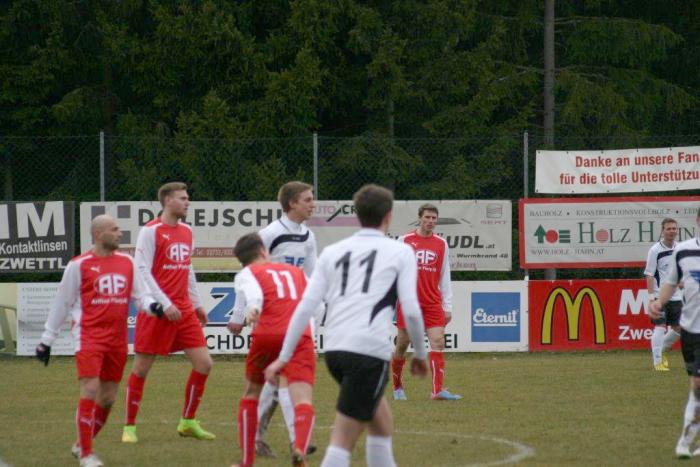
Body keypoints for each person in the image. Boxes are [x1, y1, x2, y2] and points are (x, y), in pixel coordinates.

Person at [265, 184, 428, 467]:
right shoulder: (400, 252)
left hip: (335, 352)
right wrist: (421, 354)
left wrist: (284, 356)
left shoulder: (333, 251)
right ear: (388, 216)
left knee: (381, 424)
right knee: (342, 440)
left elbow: (305, 306)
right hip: (368, 353)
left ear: (357, 215)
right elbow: (412, 312)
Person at [35, 215, 163, 467]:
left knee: (108, 398)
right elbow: (62, 303)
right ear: (98, 234)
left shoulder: (127, 262)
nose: (119, 233)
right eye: (114, 230)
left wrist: (153, 306)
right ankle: (86, 454)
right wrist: (46, 340)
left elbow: (141, 296)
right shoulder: (78, 265)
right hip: (89, 336)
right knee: (90, 389)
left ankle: (80, 444)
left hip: (117, 339)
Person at [121, 182, 215, 443]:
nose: (187, 202)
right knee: (141, 368)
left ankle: (187, 421)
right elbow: (141, 269)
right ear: (167, 201)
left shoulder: (187, 231)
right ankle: (129, 427)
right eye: (182, 198)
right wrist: (163, 303)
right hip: (157, 311)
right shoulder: (150, 231)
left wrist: (197, 304)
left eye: (187, 198)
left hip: (183, 309)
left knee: (204, 364)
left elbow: (188, 268)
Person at [230, 181, 318, 458]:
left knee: (276, 380)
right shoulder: (269, 233)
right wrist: (239, 313)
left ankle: (268, 438)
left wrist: (315, 314)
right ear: (292, 203)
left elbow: (311, 276)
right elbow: (249, 271)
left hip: (296, 314)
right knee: (281, 380)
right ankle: (295, 440)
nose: (313, 204)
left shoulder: (308, 236)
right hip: (270, 315)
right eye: (307, 199)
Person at [391, 203, 461, 400]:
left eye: (433, 218)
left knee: (438, 341)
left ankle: (437, 391)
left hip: (432, 303)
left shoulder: (441, 244)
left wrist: (447, 306)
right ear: (419, 218)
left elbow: (445, 275)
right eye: (427, 217)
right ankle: (397, 387)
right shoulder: (404, 241)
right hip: (409, 303)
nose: (430, 221)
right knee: (402, 346)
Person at [650, 208, 700, 458]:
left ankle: (684, 443)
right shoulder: (684, 251)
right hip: (694, 329)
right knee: (697, 386)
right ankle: (685, 441)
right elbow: (670, 282)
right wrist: (658, 301)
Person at [645, 218, 682, 371]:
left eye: (674, 228)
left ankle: (661, 350)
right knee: (660, 326)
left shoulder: (680, 248)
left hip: (676, 295)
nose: (672, 231)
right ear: (662, 231)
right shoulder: (655, 250)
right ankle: (658, 362)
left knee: (679, 328)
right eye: (669, 229)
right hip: (659, 296)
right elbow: (649, 274)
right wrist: (651, 298)